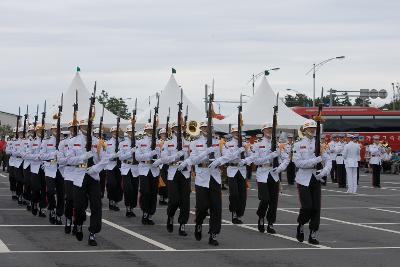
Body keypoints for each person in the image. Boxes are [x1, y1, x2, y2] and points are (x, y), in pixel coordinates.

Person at [178, 121, 223, 246]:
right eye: (204, 127)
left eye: (209, 127)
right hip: (202, 177)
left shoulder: (217, 142)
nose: (207, 129)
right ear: (201, 128)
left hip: (214, 176)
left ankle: (213, 234)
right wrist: (206, 152)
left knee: (216, 207)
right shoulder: (195, 143)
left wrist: (219, 161)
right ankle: (198, 223)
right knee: (202, 207)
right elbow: (193, 159)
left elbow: (220, 157)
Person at [241, 123, 288, 234]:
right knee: (265, 199)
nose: (269, 131)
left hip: (274, 173)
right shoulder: (258, 145)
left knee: (273, 201)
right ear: (263, 131)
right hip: (262, 173)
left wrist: (280, 168)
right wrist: (270, 156)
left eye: (271, 129)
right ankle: (261, 216)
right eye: (267, 129)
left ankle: (270, 223)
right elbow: (256, 161)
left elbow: (286, 158)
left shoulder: (277, 144)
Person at [68, 119, 108, 246]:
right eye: (84, 125)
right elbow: (69, 160)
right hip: (79, 175)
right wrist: (82, 158)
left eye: (89, 125)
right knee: (79, 206)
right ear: (80, 127)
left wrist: (95, 168)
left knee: (96, 205)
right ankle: (78, 224)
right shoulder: (73, 141)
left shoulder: (98, 142)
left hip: (93, 176)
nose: (87, 127)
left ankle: (93, 233)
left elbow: (104, 159)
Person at [293, 119, 331, 245]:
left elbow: (328, 160)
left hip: (316, 177)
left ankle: (313, 233)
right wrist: (316, 160)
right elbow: (298, 163)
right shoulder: (298, 145)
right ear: (304, 130)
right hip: (303, 178)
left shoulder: (319, 144)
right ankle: (301, 223)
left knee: (316, 208)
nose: (312, 130)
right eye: (310, 128)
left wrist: (324, 171)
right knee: (307, 206)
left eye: (314, 128)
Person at [154, 121, 191, 236]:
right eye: (176, 127)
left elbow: (192, 157)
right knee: (174, 199)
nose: (178, 129)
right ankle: (170, 215)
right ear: (172, 129)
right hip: (172, 172)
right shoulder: (167, 143)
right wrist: (176, 156)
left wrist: (186, 162)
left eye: (180, 127)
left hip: (185, 172)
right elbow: (164, 158)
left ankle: (182, 224)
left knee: (185, 201)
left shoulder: (188, 142)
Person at [220, 125, 249, 224]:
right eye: (235, 132)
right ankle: (234, 212)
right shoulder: (227, 144)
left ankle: (239, 213)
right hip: (232, 169)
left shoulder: (246, 144)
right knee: (234, 193)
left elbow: (251, 156)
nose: (237, 133)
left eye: (238, 132)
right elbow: (227, 157)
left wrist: (246, 158)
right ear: (232, 133)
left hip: (242, 169)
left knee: (242, 194)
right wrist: (239, 151)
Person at [136, 122, 161, 225]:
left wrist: (158, 161)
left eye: (151, 130)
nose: (150, 131)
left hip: (154, 170)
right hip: (144, 169)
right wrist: (150, 154)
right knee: (145, 192)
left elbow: (161, 156)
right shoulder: (140, 142)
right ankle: (144, 212)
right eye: (148, 130)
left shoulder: (159, 142)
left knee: (153, 193)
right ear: (145, 131)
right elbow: (138, 157)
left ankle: (150, 214)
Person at [41, 123, 64, 224]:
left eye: (58, 129)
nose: (56, 131)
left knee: (61, 193)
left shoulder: (65, 142)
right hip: (50, 168)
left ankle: (59, 214)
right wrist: (53, 154)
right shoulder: (46, 141)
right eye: (55, 129)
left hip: (61, 169)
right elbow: (42, 155)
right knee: (50, 191)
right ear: (51, 130)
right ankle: (52, 209)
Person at [118, 125, 139, 218]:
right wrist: (130, 152)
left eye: (133, 132)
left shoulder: (139, 143)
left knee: (134, 189)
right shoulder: (122, 143)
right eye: (130, 132)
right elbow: (121, 157)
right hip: (126, 167)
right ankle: (127, 207)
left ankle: (132, 207)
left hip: (136, 167)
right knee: (128, 188)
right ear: (127, 133)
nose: (131, 134)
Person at [105, 126, 123, 211]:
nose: (115, 133)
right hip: (110, 165)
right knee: (112, 184)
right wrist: (114, 155)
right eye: (114, 132)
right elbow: (105, 155)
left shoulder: (122, 142)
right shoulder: (108, 143)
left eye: (117, 132)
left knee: (119, 184)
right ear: (111, 133)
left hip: (119, 166)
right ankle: (111, 200)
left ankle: (116, 201)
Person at [5, 128, 18, 200]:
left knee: (19, 179)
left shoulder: (22, 141)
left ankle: (19, 193)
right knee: (12, 178)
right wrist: (14, 152)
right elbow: (7, 151)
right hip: (12, 162)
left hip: (19, 162)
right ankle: (13, 192)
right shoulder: (10, 142)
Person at [157, 128, 168, 205]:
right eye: (162, 134)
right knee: (162, 182)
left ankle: (165, 197)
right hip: (161, 164)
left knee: (167, 181)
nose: (164, 135)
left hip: (167, 163)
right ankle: (161, 198)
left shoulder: (169, 142)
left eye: (165, 133)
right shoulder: (158, 142)